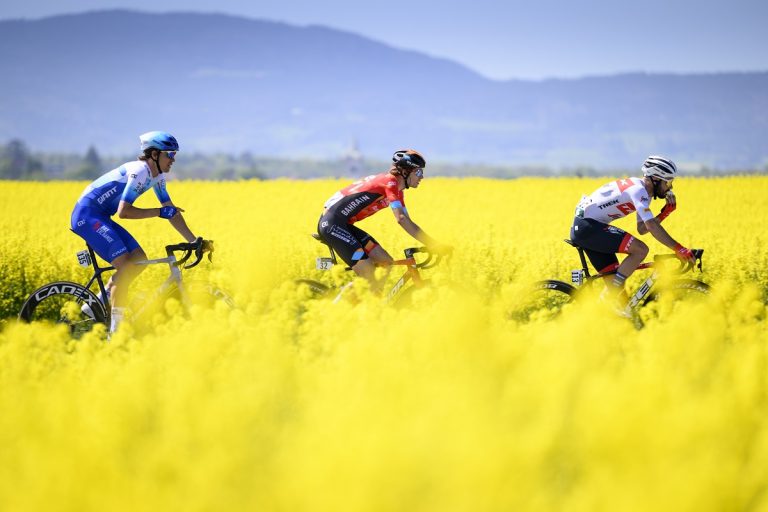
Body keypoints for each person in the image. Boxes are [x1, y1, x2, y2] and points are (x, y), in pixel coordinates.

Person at [71, 131, 201, 335]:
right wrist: (159, 212)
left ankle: (96, 303)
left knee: (139, 259)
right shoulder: (140, 171)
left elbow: (170, 210)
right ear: (155, 155)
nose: (173, 160)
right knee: (126, 266)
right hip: (87, 215)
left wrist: (195, 240)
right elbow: (124, 212)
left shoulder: (157, 177)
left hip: (102, 216)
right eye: (170, 154)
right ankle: (116, 332)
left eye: (174, 155)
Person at [570, 155, 696, 309]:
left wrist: (664, 213)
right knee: (641, 249)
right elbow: (651, 227)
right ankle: (613, 292)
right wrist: (679, 248)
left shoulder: (645, 194)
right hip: (588, 227)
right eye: (668, 182)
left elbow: (642, 228)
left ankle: (596, 316)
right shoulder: (638, 191)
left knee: (619, 302)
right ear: (655, 179)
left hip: (591, 228)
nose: (670, 187)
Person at [317, 149, 450, 292]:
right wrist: (433, 244)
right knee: (368, 271)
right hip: (332, 224)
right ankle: (345, 308)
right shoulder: (390, 183)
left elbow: (406, 219)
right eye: (418, 172)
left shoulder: (396, 190)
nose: (422, 176)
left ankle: (372, 302)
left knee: (385, 262)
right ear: (405, 171)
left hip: (342, 224)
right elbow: (401, 219)